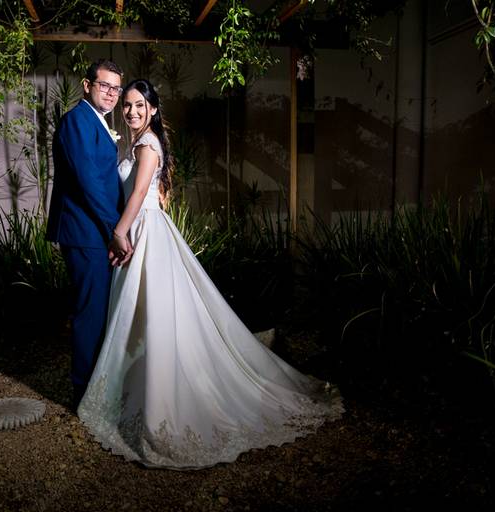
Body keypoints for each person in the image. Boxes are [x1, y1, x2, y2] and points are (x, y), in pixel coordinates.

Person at [76, 79, 344, 469]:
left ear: (152, 109)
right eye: (127, 105)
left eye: (139, 105)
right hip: (140, 227)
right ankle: (136, 387)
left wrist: (119, 232)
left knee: (155, 316)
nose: (131, 111)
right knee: (138, 315)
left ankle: (162, 399)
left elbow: (137, 195)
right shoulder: (136, 144)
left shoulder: (148, 144)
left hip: (143, 230)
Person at [46, 59, 133, 410]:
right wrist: (117, 230)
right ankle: (84, 397)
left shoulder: (96, 120)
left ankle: (96, 386)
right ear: (87, 85)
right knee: (90, 313)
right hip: (85, 234)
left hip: (95, 232)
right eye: (104, 86)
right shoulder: (77, 121)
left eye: (116, 88)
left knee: (98, 311)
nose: (111, 93)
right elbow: (89, 184)